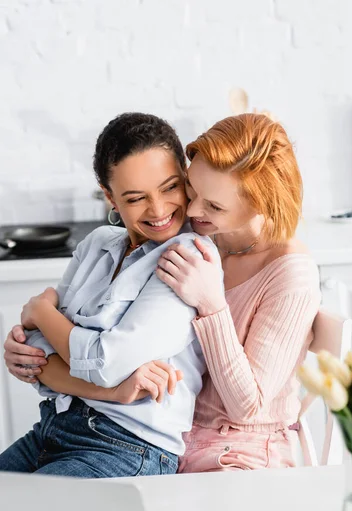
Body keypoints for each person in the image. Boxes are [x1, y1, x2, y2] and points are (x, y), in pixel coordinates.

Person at [4, 113, 320, 472]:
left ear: (258, 204)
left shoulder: (206, 256)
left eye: (213, 205)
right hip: (142, 431)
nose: (192, 211)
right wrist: (33, 352)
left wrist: (211, 305)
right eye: (192, 190)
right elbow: (58, 353)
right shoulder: (198, 237)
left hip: (224, 448)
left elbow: (245, 406)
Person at [0, 112, 222, 478]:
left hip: (127, 447)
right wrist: (113, 392)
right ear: (110, 197)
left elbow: (106, 364)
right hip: (52, 429)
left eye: (169, 187)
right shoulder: (97, 243)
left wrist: (42, 312)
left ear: (185, 175)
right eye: (135, 198)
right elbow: (39, 357)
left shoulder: (188, 256)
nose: (159, 210)